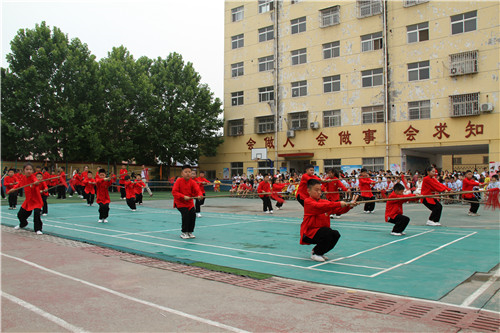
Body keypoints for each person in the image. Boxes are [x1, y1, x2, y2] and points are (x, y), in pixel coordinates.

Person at [300, 179, 355, 262]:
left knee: (335, 234)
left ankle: (319, 251)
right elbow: (320, 206)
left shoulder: (324, 202)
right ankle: (316, 254)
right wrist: (339, 203)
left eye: (320, 190)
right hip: (309, 233)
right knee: (327, 232)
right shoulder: (308, 202)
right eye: (316, 190)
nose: (319, 192)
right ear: (308, 190)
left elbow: (338, 210)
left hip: (321, 232)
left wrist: (349, 206)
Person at [8, 163, 45, 235]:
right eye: (27, 169)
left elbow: (35, 181)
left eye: (30, 169)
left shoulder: (33, 178)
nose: (29, 171)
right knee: (20, 215)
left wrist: (36, 183)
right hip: (28, 200)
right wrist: (13, 189)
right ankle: (23, 224)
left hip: (36, 200)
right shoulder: (23, 178)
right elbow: (18, 185)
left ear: (33, 171)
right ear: (23, 170)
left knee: (37, 214)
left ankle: (38, 229)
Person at [172, 165, 203, 239]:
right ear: (182, 173)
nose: (188, 174)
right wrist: (183, 196)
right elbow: (174, 192)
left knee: (192, 214)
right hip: (180, 203)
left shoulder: (192, 182)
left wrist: (200, 195)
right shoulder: (179, 181)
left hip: (189, 203)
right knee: (185, 214)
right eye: (186, 172)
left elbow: (198, 190)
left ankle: (190, 232)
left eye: (189, 172)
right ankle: (184, 232)